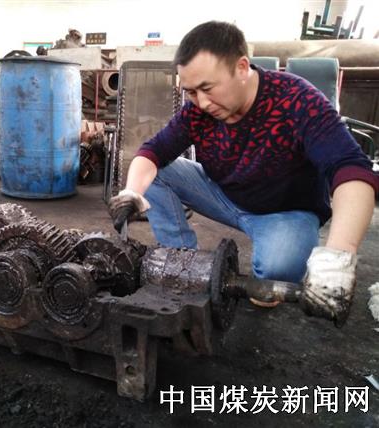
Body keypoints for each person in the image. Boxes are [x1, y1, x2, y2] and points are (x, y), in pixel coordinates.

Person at [108, 21, 379, 326]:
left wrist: (339, 256)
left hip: (283, 212)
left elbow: (352, 170)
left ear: (241, 67)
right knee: (155, 173)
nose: (202, 102)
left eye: (208, 88)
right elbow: (152, 151)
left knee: (278, 275)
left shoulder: (297, 100)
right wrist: (132, 191)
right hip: (223, 194)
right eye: (191, 92)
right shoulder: (198, 110)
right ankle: (182, 261)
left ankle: (277, 264)